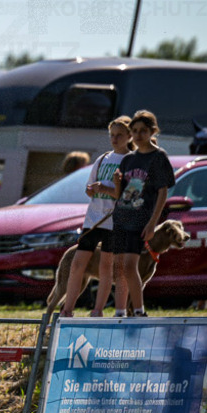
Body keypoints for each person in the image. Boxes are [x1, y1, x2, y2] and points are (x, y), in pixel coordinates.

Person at [58, 117, 133, 318]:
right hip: (93, 219)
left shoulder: (131, 161)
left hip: (113, 221)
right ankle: (67, 310)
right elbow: (89, 188)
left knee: (106, 266)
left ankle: (98, 310)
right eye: (112, 135)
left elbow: (127, 195)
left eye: (119, 135)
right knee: (77, 263)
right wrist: (93, 190)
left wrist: (106, 189)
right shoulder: (102, 159)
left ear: (129, 136)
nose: (115, 139)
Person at [110, 110, 175, 318]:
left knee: (130, 266)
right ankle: (119, 312)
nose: (138, 135)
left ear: (152, 131)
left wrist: (152, 223)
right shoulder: (129, 159)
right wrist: (117, 184)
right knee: (119, 267)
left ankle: (138, 310)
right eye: (134, 131)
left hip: (140, 220)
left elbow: (162, 192)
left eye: (143, 131)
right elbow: (120, 194)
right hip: (122, 217)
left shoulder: (158, 157)